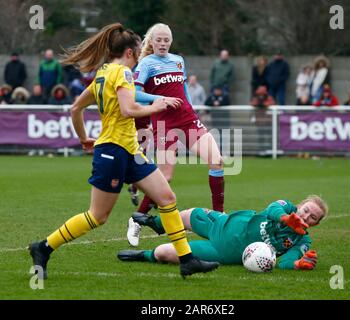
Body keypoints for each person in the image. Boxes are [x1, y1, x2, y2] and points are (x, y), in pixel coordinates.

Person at [28, 23, 219, 280]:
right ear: (129, 52)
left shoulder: (103, 73)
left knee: (166, 198)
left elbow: (75, 109)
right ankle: (43, 247)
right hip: (113, 151)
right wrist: (158, 105)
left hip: (129, 150)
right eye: (139, 51)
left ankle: (187, 260)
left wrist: (84, 138)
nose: (141, 55)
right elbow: (129, 109)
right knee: (98, 216)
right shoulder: (124, 74)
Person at [127, 23, 225, 247]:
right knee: (165, 177)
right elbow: (134, 93)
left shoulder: (178, 60)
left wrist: (191, 108)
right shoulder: (146, 63)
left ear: (171, 41)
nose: (162, 43)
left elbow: (185, 89)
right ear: (151, 42)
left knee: (217, 161)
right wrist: (158, 100)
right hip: (164, 123)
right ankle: (137, 220)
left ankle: (219, 218)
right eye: (158, 40)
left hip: (187, 119)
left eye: (166, 40)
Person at [118, 195, 328, 270]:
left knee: (165, 252)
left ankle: (144, 255)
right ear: (300, 206)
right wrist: (284, 218)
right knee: (185, 215)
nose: (306, 216)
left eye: (313, 218)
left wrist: (298, 264)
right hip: (223, 222)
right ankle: (156, 223)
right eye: (306, 210)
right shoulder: (285, 207)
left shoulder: (302, 240)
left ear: (315, 224)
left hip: (221, 250)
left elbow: (285, 263)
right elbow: (273, 208)